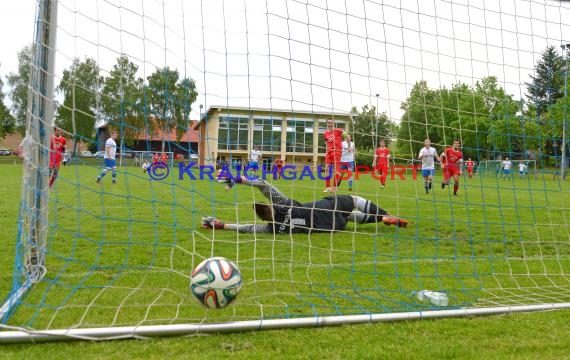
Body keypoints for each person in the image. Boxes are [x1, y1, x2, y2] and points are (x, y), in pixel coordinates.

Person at [202, 176, 409, 234]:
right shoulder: (283, 204)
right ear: (271, 207)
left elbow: (247, 228)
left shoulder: (273, 228)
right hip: (325, 207)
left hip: (330, 228)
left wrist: (221, 224)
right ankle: (385, 214)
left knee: (349, 217)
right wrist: (236, 180)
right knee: (353, 201)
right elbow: (263, 185)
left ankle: (382, 219)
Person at [323, 118, 345, 193]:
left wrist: (345, 143)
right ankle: (328, 187)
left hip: (337, 152)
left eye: (331, 123)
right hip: (329, 152)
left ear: (334, 123)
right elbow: (326, 143)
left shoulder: (338, 131)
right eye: (329, 123)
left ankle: (334, 187)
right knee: (326, 169)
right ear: (327, 124)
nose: (330, 124)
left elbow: (346, 134)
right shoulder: (325, 133)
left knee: (336, 170)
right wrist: (326, 151)